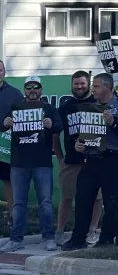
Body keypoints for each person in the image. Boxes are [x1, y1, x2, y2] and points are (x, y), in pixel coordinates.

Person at [61, 73, 118, 251]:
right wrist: (80, 145)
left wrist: (113, 123)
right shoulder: (89, 109)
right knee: (83, 198)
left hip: (114, 160)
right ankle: (78, 238)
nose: (92, 89)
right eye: (93, 86)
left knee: (111, 202)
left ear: (108, 88)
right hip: (92, 159)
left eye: (96, 86)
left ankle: (107, 238)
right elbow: (85, 135)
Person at [0, 76, 62, 252]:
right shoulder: (15, 107)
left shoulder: (49, 108)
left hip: (42, 163)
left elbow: (59, 126)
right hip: (19, 163)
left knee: (46, 203)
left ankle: (48, 237)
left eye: (36, 87)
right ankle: (16, 239)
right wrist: (5, 123)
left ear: (41, 89)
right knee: (18, 203)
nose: (32, 90)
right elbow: (2, 126)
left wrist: (51, 124)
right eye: (29, 87)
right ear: (25, 89)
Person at [52, 71, 104, 245]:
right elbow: (54, 134)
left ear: (88, 84)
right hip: (72, 160)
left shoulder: (98, 104)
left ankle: (92, 230)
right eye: (76, 84)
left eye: (82, 83)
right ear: (72, 85)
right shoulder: (66, 107)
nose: (79, 87)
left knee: (97, 198)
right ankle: (60, 231)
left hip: (95, 159)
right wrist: (60, 157)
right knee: (67, 197)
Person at [0, 60, 23, 225]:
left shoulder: (14, 94)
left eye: (0, 70)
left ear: (4, 72)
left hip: (5, 146)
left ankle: (14, 216)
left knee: (8, 180)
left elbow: (23, 118)